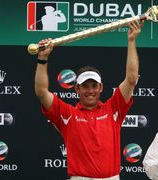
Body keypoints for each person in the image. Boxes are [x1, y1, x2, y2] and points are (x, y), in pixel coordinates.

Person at [34, 21, 142, 180]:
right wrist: (42, 59)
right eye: (85, 86)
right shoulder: (67, 113)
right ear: (77, 89)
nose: (90, 91)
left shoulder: (113, 108)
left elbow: (132, 79)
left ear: (101, 88)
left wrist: (131, 41)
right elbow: (41, 92)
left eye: (94, 86)